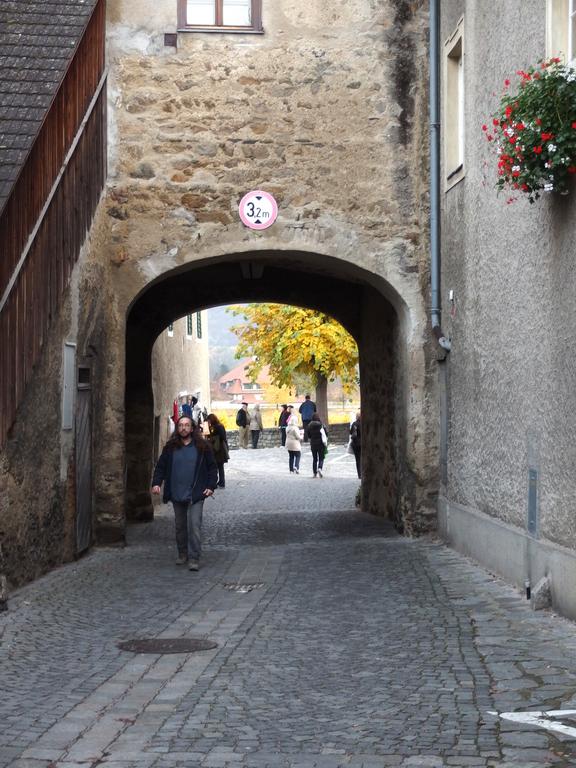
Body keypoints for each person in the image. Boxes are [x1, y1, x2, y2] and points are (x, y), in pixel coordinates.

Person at [151, 416, 218, 571]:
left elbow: (212, 468)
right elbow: (161, 467)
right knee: (180, 527)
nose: (183, 428)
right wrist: (156, 483)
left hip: (196, 494)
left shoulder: (203, 447)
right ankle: (182, 553)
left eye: (187, 425)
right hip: (176, 493)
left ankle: (194, 558)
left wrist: (210, 486)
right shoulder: (170, 447)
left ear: (192, 428)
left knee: (194, 525)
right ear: (177, 428)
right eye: (180, 425)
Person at [206, 413, 229, 488]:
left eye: (209, 420)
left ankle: (221, 482)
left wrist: (213, 438)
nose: (208, 422)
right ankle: (220, 482)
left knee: (219, 466)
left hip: (219, 449)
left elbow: (222, 437)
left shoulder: (218, 427)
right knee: (218, 466)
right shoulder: (215, 426)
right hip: (217, 449)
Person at [306, 412, 328, 478]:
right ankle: (320, 468)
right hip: (321, 443)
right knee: (321, 457)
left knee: (315, 458)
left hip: (313, 443)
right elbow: (326, 433)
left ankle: (314, 473)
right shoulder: (321, 425)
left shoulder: (309, 425)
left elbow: (308, 435)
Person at [350, 410, 361, 479]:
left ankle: (359, 475)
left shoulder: (354, 424)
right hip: (363, 444)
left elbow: (351, 433)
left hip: (356, 444)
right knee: (362, 459)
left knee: (358, 460)